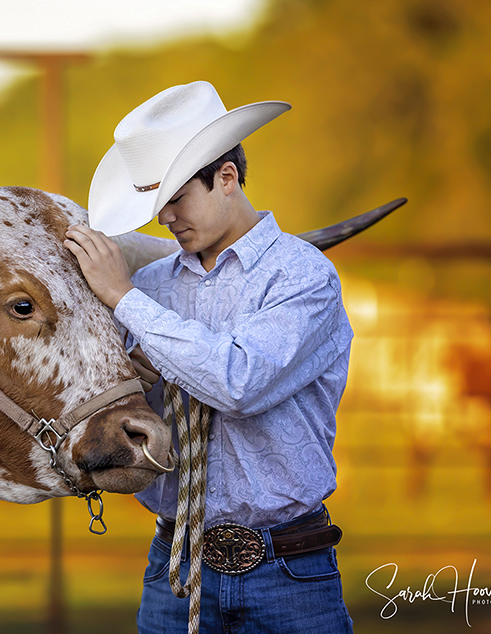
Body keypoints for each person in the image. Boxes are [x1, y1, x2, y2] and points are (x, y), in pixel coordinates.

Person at [64, 81, 355, 634]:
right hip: (175, 566)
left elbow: (239, 383)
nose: (164, 219)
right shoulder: (149, 286)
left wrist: (121, 299)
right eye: (155, 205)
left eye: (176, 199)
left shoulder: (303, 275)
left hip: (288, 570)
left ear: (225, 178)